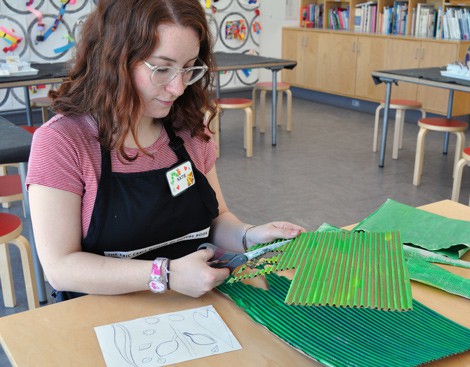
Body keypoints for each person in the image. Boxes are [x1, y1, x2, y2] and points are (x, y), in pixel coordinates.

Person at [26, 0, 304, 301]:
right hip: (103, 317)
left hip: (192, 308)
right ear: (113, 58)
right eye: (162, 69)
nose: (178, 88)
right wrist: (165, 275)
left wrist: (250, 236)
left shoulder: (191, 129)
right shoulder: (63, 142)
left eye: (189, 68)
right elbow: (61, 266)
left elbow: (215, 220)